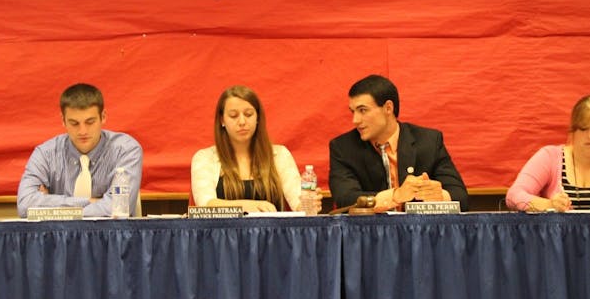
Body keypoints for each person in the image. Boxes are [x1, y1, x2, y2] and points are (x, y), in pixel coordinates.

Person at [329, 74, 468, 212]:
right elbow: (344, 199)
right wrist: (395, 196)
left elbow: (460, 197)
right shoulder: (343, 147)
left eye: (362, 110)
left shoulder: (428, 141)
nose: (355, 120)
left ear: (388, 108)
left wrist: (438, 196)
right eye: (353, 112)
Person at [17, 83, 143, 217]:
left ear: (103, 117)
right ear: (63, 121)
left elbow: (118, 208)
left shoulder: (126, 150)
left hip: (113, 237)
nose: (83, 131)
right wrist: (91, 202)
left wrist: (51, 207)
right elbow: (25, 204)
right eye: (74, 123)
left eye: (90, 122)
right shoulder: (45, 153)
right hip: (60, 237)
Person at [191, 85, 321, 213]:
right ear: (222, 120)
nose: (242, 121)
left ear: (258, 117)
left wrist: (308, 205)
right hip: (223, 234)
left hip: (272, 233)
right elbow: (205, 204)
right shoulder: (204, 158)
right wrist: (245, 206)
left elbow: (298, 203)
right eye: (233, 116)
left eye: (248, 114)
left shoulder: (279, 154)